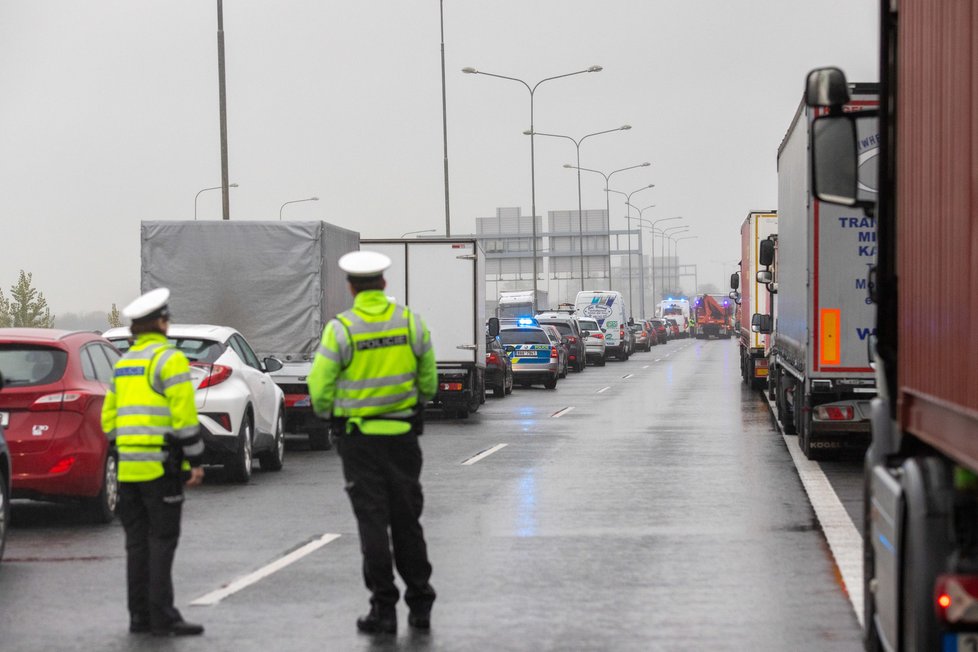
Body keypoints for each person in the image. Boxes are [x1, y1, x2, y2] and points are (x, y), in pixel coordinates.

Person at [307, 250, 438, 635]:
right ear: (384, 283)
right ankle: (420, 603)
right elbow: (428, 383)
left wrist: (332, 412)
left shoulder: (342, 329)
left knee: (372, 523)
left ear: (351, 288)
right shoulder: (411, 323)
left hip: (359, 442)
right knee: (407, 520)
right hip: (403, 439)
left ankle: (383, 609)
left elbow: (319, 387)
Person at [101, 288, 206, 637]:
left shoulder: (124, 363)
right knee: (162, 541)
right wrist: (195, 460)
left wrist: (127, 446)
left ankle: (139, 617)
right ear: (161, 323)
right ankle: (164, 617)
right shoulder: (170, 360)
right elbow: (184, 418)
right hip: (161, 467)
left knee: (136, 544)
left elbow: (108, 421)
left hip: (128, 469)